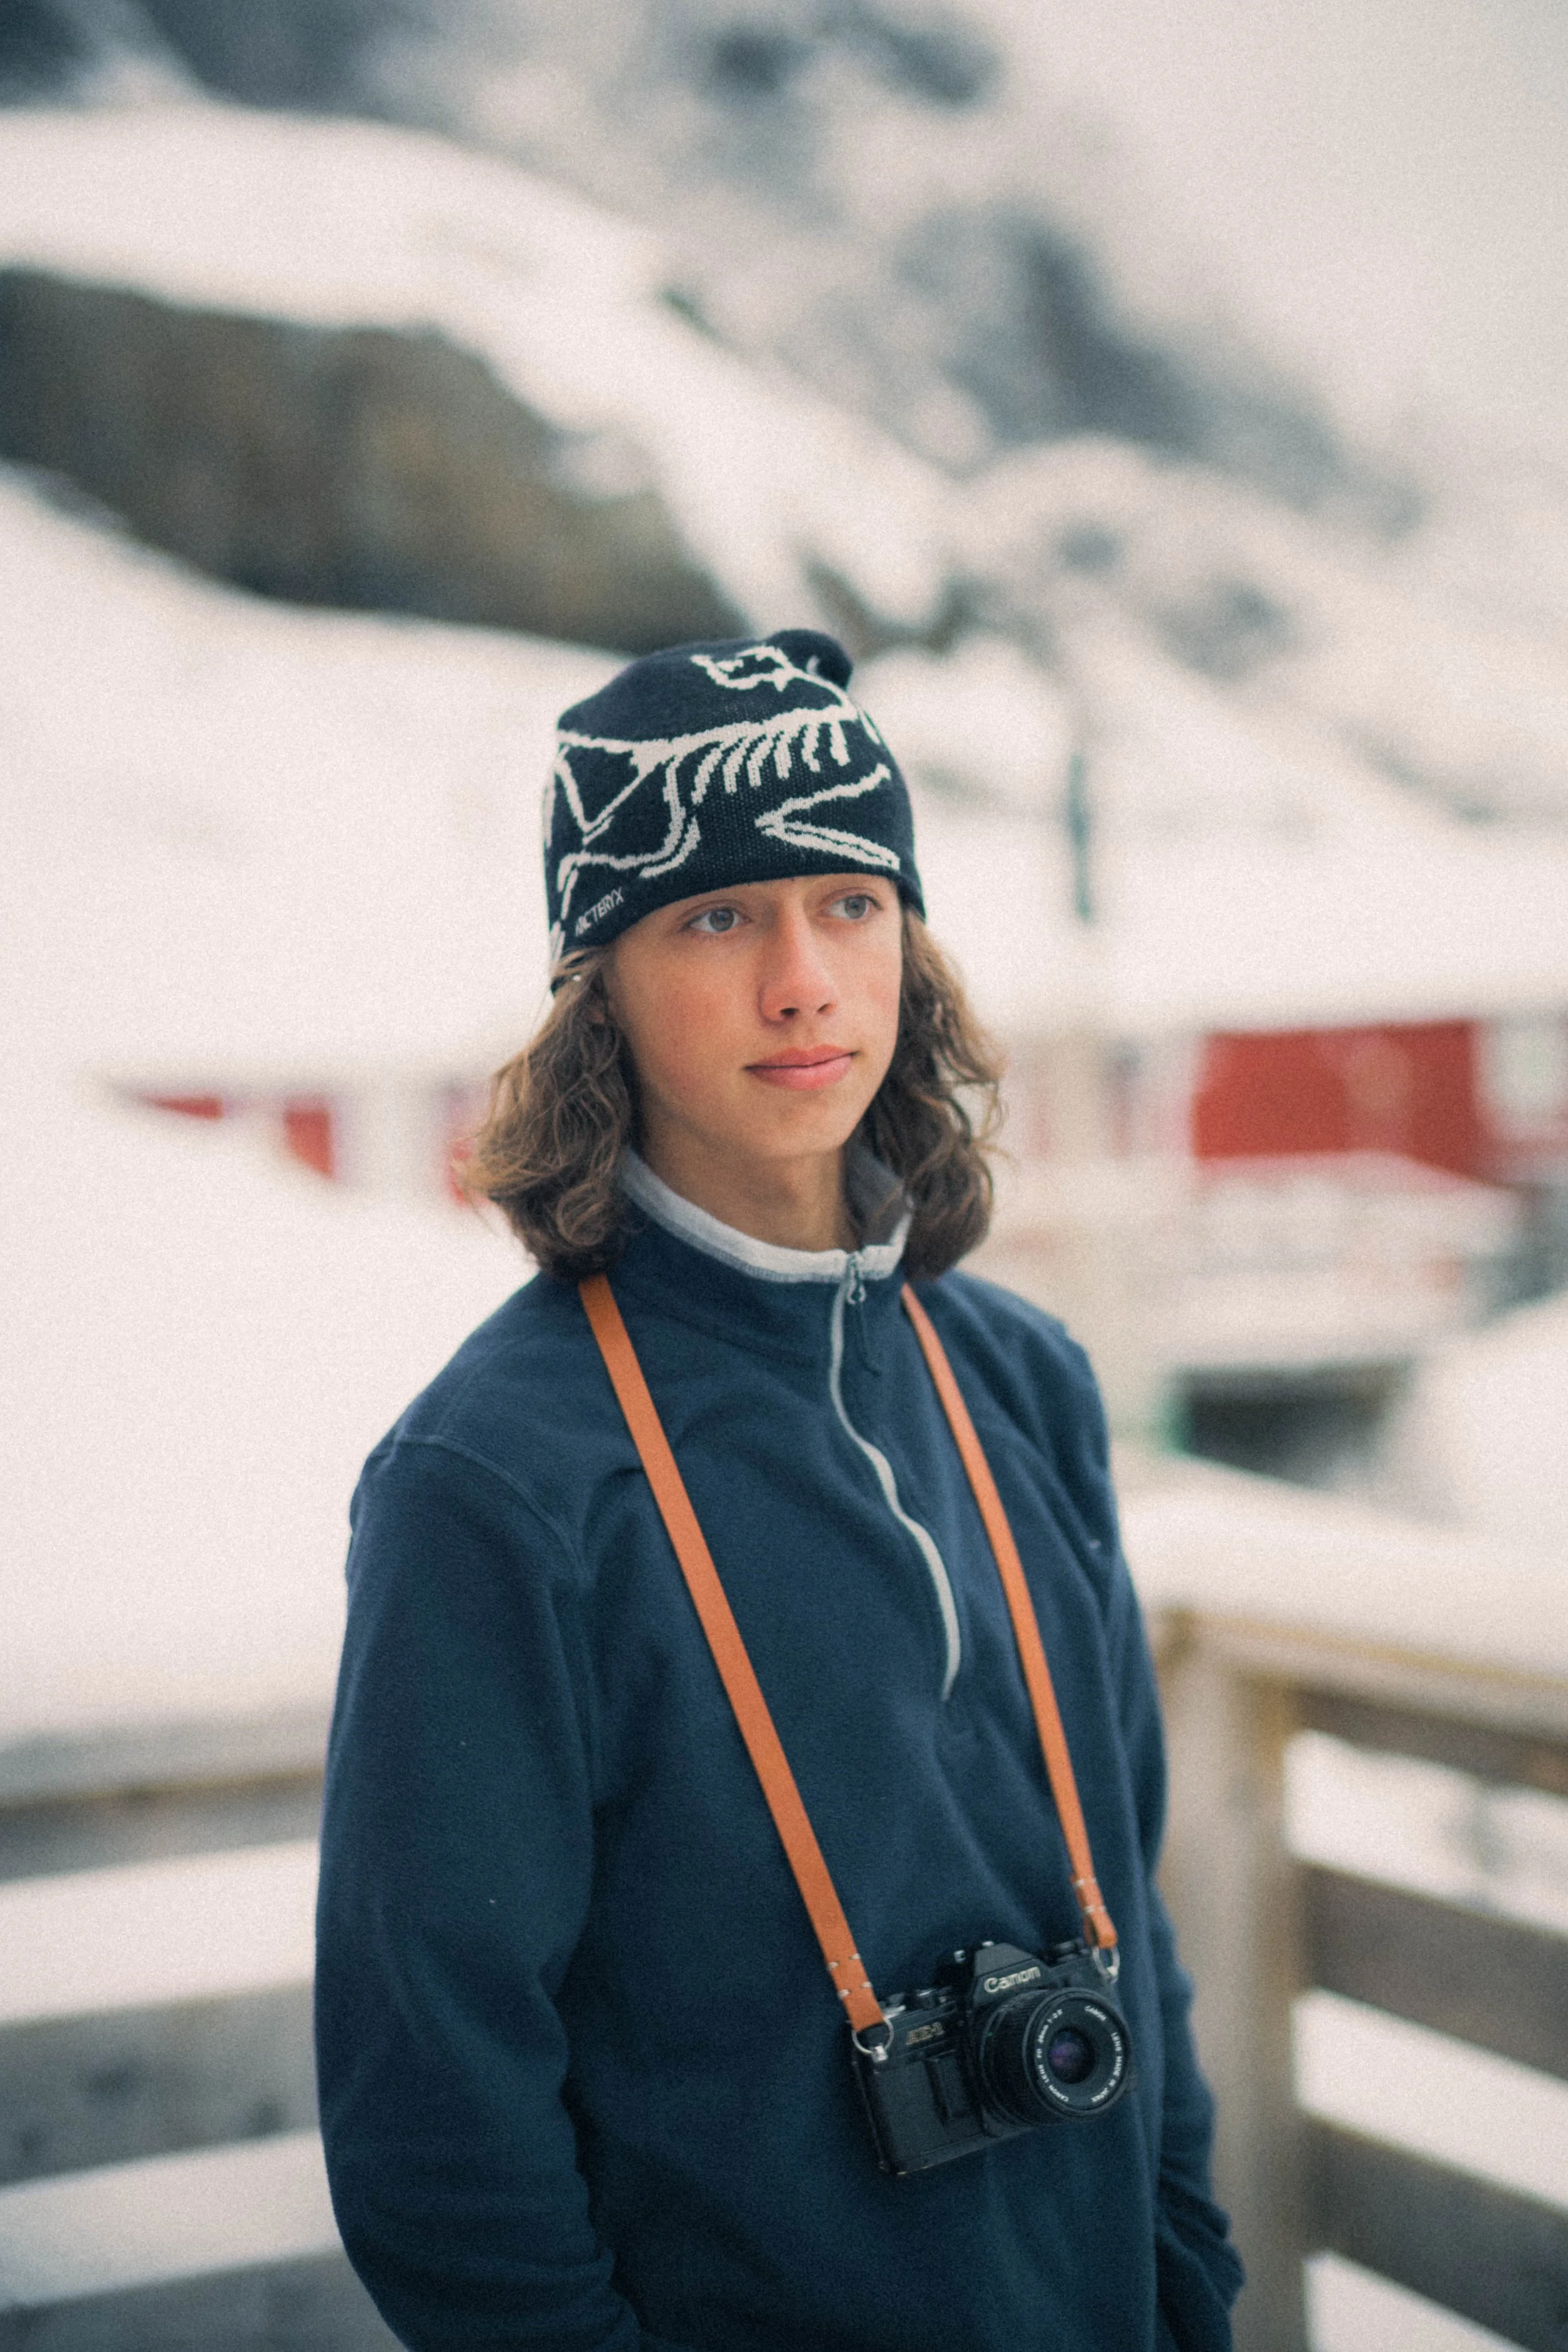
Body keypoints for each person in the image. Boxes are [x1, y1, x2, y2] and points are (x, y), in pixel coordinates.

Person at [314, 629, 1243, 2352]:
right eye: (716, 917)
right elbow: (431, 2117)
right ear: (600, 986)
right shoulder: (496, 1483)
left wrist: (1186, 2277)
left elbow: (1137, 1906)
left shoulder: (1019, 1377)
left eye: (846, 900)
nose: (802, 979)